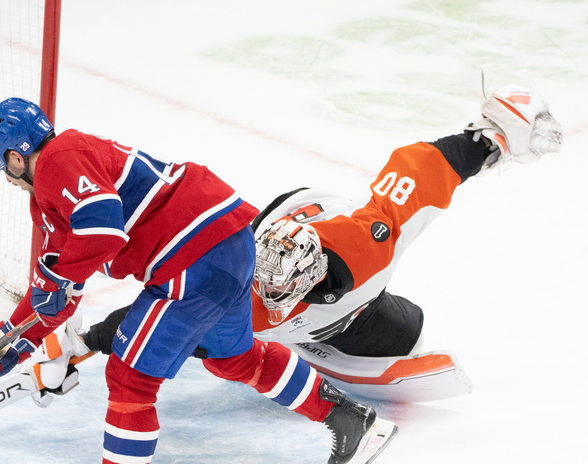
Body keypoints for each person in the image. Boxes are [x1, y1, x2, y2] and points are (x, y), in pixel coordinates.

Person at [0, 97, 397, 464]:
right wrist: (7, 342)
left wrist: (56, 285)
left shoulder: (59, 160)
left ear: (16, 155)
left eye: (1, 165)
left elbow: (101, 233)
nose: (5, 177)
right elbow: (54, 290)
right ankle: (352, 420)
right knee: (234, 359)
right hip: (227, 243)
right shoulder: (51, 195)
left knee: (130, 377)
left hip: (192, 257)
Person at [81, 85, 564, 404]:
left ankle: (324, 330)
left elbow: (420, 172)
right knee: (203, 326)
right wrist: (87, 340)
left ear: (316, 283)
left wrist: (490, 140)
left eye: (278, 290)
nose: (267, 295)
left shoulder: (369, 246)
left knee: (408, 332)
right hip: (292, 214)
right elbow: (158, 320)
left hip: (348, 299)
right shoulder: (239, 288)